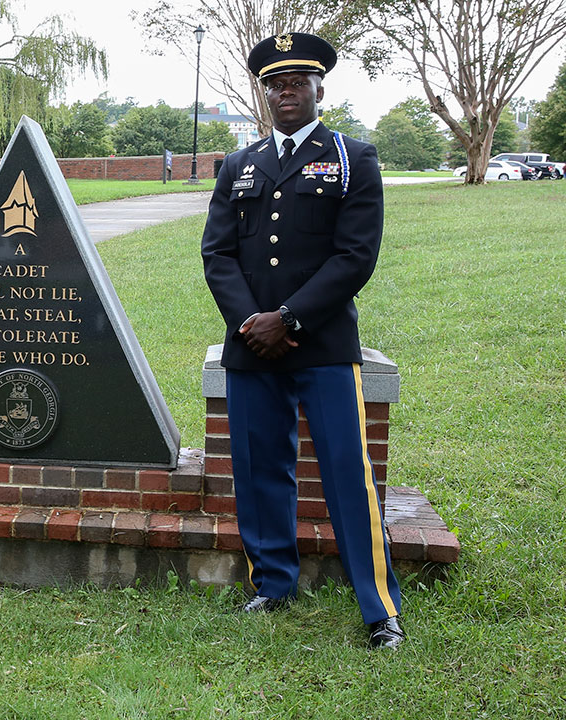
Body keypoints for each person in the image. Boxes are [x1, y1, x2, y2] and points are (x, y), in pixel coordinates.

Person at [201, 33, 405, 648]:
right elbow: (217, 253)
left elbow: (355, 256)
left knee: (347, 473)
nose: (284, 92)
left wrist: (287, 319)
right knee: (261, 470)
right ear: (265, 94)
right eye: (274, 84)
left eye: (297, 82)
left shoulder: (352, 157)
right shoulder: (239, 164)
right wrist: (250, 323)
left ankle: (378, 608)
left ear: (320, 89)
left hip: (320, 344)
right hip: (250, 347)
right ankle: (273, 583)